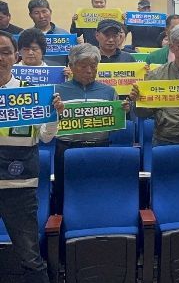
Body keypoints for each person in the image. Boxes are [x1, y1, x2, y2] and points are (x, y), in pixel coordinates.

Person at [0, 30, 64, 283]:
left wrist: (54, 115)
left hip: (19, 186)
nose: (0, 58)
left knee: (30, 257)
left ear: (15, 56)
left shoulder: (32, 92)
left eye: (5, 52)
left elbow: (46, 137)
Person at [54, 44, 130, 213]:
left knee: (98, 192)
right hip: (66, 149)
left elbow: (115, 128)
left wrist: (122, 113)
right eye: (83, 66)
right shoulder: (57, 92)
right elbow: (48, 126)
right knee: (64, 194)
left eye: (93, 66)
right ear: (71, 66)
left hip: (99, 148)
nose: (89, 70)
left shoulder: (109, 91)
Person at [27, 0, 69, 67]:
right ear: (30, 15)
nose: (41, 16)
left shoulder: (64, 35)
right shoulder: (25, 36)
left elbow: (72, 61)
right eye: (36, 13)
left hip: (59, 73)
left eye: (44, 12)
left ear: (50, 12)